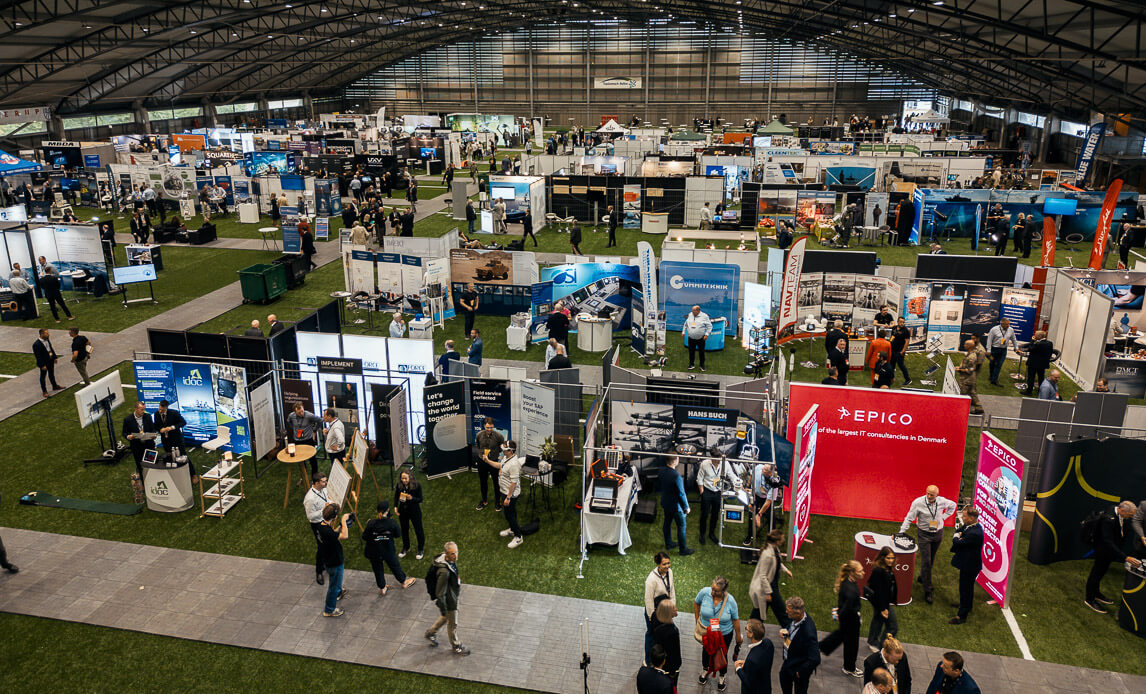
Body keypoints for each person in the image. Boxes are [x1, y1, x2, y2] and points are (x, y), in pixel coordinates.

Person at [899, 484, 957, 605]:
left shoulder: (942, 501)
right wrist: (901, 531)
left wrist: (943, 517)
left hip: (938, 534)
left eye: (932, 495)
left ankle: (922, 577)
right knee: (926, 561)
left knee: (931, 559)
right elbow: (909, 518)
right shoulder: (918, 503)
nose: (929, 496)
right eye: (928, 494)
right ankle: (928, 589)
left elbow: (953, 505)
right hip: (924, 535)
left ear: (937, 495)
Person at [1084, 500, 1143, 612]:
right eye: (1130, 515)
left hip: (1109, 551)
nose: (1131, 517)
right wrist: (1125, 557)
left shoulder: (1116, 510)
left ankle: (1096, 593)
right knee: (1095, 574)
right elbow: (1107, 541)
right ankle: (1089, 599)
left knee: (1101, 573)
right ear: (1122, 510)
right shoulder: (1108, 519)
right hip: (1103, 551)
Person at [694, 576, 742, 690]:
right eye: (712, 589)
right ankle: (705, 669)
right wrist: (697, 621)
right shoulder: (704, 593)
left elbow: (735, 620)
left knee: (721, 654)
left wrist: (738, 636)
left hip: (724, 634)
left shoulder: (730, 601)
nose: (712, 592)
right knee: (706, 651)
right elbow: (696, 603)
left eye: (716, 591)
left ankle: (722, 675)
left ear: (723, 591)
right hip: (707, 631)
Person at [424, 541, 470, 655]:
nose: (455, 555)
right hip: (449, 600)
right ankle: (456, 645)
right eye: (452, 553)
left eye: (456, 552)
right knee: (452, 623)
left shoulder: (449, 561)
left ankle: (431, 632)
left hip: (452, 594)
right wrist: (444, 608)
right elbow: (440, 593)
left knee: (446, 617)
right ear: (446, 554)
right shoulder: (444, 572)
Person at [362, 500, 417, 595]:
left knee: (377, 569)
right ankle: (404, 582)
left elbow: (364, 537)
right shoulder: (392, 523)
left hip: (374, 551)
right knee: (395, 566)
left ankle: (382, 588)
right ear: (387, 510)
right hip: (388, 550)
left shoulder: (371, 523)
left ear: (377, 510)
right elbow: (397, 535)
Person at [819, 560, 863, 677]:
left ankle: (819, 647)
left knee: (840, 636)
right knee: (852, 645)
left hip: (846, 619)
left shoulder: (846, 582)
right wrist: (852, 616)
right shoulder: (851, 590)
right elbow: (848, 607)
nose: (862, 573)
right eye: (860, 571)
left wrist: (840, 612)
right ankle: (849, 668)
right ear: (852, 572)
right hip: (851, 620)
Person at [948, 506, 984, 624]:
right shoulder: (970, 526)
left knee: (965, 589)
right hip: (968, 563)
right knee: (967, 588)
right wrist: (958, 535)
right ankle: (967, 606)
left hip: (970, 566)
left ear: (972, 518)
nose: (962, 518)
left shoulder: (975, 533)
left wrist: (957, 537)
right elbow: (959, 531)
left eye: (964, 516)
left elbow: (957, 542)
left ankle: (961, 616)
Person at [749, 529, 791, 627]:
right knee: (780, 609)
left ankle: (752, 627)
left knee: (759, 610)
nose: (784, 540)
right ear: (777, 541)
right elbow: (763, 575)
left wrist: (786, 570)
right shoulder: (767, 555)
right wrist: (768, 593)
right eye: (782, 538)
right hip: (769, 587)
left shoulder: (775, 549)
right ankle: (789, 628)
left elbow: (777, 562)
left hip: (772, 584)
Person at [778, 596, 819, 694]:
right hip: (789, 661)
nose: (786, 612)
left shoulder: (808, 632)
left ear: (798, 613)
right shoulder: (798, 618)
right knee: (783, 678)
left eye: (789, 611)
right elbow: (792, 626)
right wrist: (786, 630)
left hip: (798, 668)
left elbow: (815, 659)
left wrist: (800, 672)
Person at [488, 440, 525, 548]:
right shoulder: (506, 458)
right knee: (508, 513)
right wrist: (487, 461)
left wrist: (508, 497)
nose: (502, 451)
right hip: (504, 491)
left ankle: (518, 537)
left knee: (510, 515)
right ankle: (512, 529)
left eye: (504, 450)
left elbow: (514, 482)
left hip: (510, 494)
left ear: (510, 451)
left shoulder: (514, 464)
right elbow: (500, 465)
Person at [316, 502, 350, 617]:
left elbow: (331, 535)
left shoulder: (321, 526)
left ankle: (339, 591)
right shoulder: (327, 531)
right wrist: (344, 521)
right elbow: (345, 536)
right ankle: (329, 610)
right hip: (334, 562)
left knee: (335, 583)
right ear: (334, 516)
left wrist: (339, 527)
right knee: (333, 586)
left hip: (328, 559)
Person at [644, 552, 676, 663]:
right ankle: (648, 661)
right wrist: (651, 617)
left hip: (665, 609)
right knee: (651, 635)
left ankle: (660, 660)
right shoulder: (651, 579)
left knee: (663, 635)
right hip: (654, 611)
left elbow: (672, 590)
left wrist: (672, 606)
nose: (667, 566)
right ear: (658, 564)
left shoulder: (669, 572)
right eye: (664, 564)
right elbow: (648, 600)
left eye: (668, 563)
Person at [865, 547, 898, 652]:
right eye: (888, 558)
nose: (891, 560)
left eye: (892, 558)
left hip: (883, 602)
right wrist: (883, 608)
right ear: (883, 557)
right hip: (881, 603)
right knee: (892, 626)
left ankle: (873, 642)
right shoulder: (879, 571)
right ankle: (880, 646)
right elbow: (878, 591)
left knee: (878, 621)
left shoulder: (887, 568)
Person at [659, 456, 694, 555]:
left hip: (666, 502)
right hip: (676, 506)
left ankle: (669, 544)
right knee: (681, 527)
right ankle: (683, 550)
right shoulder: (677, 476)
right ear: (674, 461)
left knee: (667, 523)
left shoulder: (661, 471)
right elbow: (681, 494)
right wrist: (686, 507)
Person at [744, 462, 781, 546]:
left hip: (766, 499)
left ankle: (772, 540)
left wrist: (759, 515)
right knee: (751, 515)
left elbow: (768, 502)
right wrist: (748, 485)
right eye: (763, 468)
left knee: (771, 518)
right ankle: (749, 536)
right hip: (755, 495)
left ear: (770, 473)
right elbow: (751, 474)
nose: (762, 470)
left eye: (765, 470)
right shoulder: (759, 467)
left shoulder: (775, 482)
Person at [303, 472, 330, 585]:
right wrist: (324, 510)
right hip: (317, 524)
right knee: (321, 547)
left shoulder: (323, 490)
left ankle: (326, 563)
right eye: (323, 481)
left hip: (325, 520)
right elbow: (310, 516)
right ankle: (319, 571)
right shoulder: (310, 499)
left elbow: (327, 499)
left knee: (327, 544)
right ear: (317, 483)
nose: (326, 483)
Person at [734, 618, 773, 694]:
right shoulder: (768, 643)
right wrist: (745, 662)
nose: (745, 630)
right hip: (766, 687)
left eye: (746, 629)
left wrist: (738, 668)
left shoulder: (752, 660)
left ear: (751, 634)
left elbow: (747, 681)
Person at [474, 417, 505, 510]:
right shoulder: (479, 435)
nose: (489, 429)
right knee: (483, 481)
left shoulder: (499, 436)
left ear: (493, 426)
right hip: (482, 461)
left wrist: (494, 454)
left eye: (491, 427)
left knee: (496, 482)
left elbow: (501, 448)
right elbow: (478, 446)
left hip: (493, 462)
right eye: (487, 427)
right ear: (484, 426)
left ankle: (498, 502)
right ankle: (484, 501)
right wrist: (483, 455)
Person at [394, 469, 425, 560]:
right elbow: (396, 496)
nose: (403, 480)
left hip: (414, 511)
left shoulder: (416, 486)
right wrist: (395, 506)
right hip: (403, 511)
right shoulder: (399, 485)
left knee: (418, 530)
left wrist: (412, 498)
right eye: (402, 478)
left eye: (405, 478)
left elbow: (420, 499)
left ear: (410, 477)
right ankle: (406, 547)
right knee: (404, 530)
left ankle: (420, 549)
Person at [651, 600, 683, 686]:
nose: (676, 609)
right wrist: (673, 670)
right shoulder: (673, 631)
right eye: (674, 608)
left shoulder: (655, 618)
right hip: (668, 666)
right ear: (668, 613)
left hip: (657, 662)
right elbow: (675, 653)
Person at [122, 401, 157, 475]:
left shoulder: (148, 416)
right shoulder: (128, 419)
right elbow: (124, 433)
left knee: (151, 463)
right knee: (140, 465)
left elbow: (153, 428)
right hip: (137, 447)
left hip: (149, 445)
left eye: (144, 409)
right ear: (136, 409)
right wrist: (129, 436)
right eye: (142, 409)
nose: (143, 411)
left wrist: (153, 434)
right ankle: (142, 478)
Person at [287, 402, 323, 475]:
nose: (301, 413)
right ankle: (304, 476)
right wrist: (295, 429)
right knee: (300, 460)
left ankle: (315, 476)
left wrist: (314, 430)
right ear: (295, 412)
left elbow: (320, 420)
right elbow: (289, 421)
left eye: (302, 411)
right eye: (299, 413)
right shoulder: (291, 416)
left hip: (308, 440)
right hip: (297, 441)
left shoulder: (309, 415)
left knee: (312, 460)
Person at [697, 451, 723, 546]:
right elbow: (699, 478)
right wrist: (702, 492)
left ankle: (711, 534)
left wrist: (739, 484)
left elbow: (731, 475)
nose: (719, 462)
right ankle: (702, 535)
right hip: (707, 491)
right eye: (717, 460)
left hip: (718, 492)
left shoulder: (725, 463)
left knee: (715, 514)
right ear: (711, 457)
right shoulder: (705, 464)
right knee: (704, 514)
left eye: (720, 459)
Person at [985, 318, 1018, 386]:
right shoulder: (994, 329)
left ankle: (994, 380)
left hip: (1003, 350)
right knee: (992, 363)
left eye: (1009, 324)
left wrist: (1016, 348)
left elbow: (1014, 339)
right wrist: (988, 350)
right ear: (1001, 324)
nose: (1008, 325)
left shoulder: (1011, 330)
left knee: (999, 364)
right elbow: (989, 340)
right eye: (1006, 324)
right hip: (994, 350)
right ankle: (991, 376)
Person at [1023, 330, 1058, 394]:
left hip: (1033, 363)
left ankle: (1029, 391)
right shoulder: (1050, 343)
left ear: (1039, 336)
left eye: (1035, 334)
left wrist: (1032, 341)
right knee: (1041, 378)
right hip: (1043, 364)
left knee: (1031, 378)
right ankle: (1041, 391)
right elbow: (1049, 353)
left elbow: (1030, 349)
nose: (1034, 335)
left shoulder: (1038, 344)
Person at [955, 339, 984, 414]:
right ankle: (978, 407)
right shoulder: (969, 354)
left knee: (964, 393)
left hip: (968, 378)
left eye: (965, 344)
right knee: (972, 392)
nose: (964, 345)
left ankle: (961, 409)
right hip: (969, 378)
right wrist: (960, 367)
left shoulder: (971, 357)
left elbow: (970, 369)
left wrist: (960, 369)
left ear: (969, 346)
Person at [32, 328, 63, 397]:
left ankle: (54, 386)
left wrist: (54, 357)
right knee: (43, 377)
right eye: (47, 333)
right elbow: (38, 356)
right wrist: (42, 365)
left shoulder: (47, 340)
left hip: (50, 360)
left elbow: (50, 348)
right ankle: (44, 391)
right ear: (42, 334)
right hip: (44, 363)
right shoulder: (36, 344)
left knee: (51, 374)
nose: (48, 334)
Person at [683, 305, 713, 372]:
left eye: (694, 311)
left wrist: (706, 334)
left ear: (698, 311)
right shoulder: (690, 314)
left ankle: (702, 365)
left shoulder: (704, 316)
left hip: (700, 338)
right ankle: (691, 364)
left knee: (701, 352)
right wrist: (683, 332)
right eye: (692, 310)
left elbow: (710, 326)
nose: (692, 312)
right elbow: (686, 324)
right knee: (691, 352)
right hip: (691, 338)